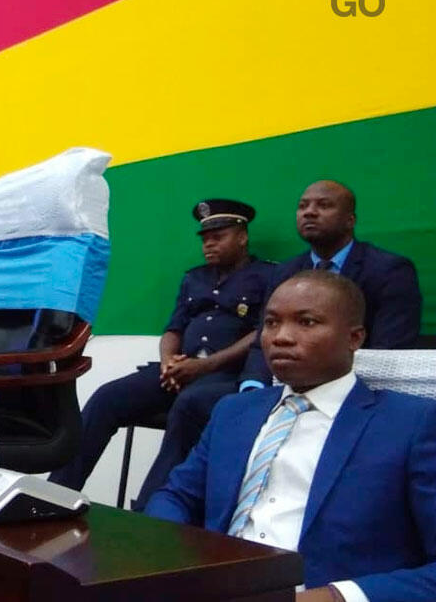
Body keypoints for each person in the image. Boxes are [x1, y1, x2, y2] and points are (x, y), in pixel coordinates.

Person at [146, 271, 436, 602]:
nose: (281, 337)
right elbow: (176, 496)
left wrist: (333, 597)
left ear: (354, 338)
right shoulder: (233, 412)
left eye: (307, 322)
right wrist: (177, 563)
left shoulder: (411, 424)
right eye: (271, 323)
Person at [48, 200, 274, 508]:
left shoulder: (268, 276)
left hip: (225, 375)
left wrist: (204, 366)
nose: (209, 244)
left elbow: (262, 333)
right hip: (181, 370)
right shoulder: (194, 278)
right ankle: (55, 495)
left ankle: (150, 511)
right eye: (205, 239)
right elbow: (173, 330)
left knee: (187, 405)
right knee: (107, 397)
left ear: (243, 237)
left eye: (218, 237)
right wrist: (168, 361)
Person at [242, 180, 421, 386]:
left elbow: (387, 351)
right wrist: (253, 386)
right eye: (302, 206)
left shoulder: (389, 270)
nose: (309, 212)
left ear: (350, 220)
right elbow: (263, 338)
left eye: (324, 205)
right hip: (287, 385)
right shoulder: (285, 272)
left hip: (356, 387)